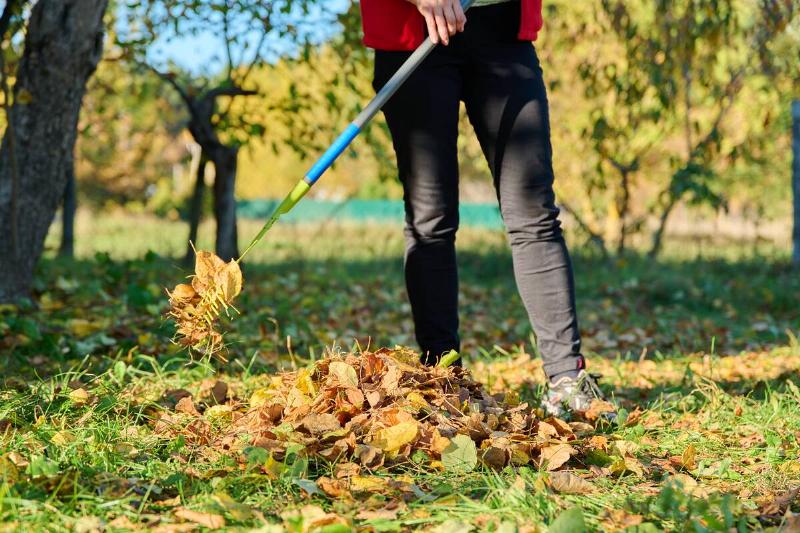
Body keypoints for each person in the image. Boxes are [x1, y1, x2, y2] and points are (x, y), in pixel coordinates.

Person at [359, 0, 613, 418]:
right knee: (430, 220)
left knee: (534, 212)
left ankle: (567, 380)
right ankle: (443, 379)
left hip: (501, 31)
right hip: (412, 30)